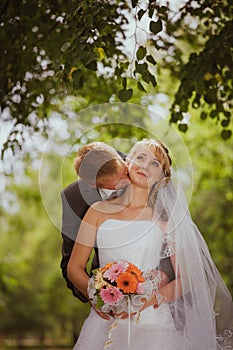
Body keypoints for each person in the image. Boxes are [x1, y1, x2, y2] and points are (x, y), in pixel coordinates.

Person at [67, 139, 233, 350]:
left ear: (161, 178)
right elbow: (74, 267)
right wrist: (96, 295)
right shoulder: (98, 211)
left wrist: (147, 300)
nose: (145, 166)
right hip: (103, 318)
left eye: (155, 164)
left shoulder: (166, 221)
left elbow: (186, 277)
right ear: (128, 161)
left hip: (152, 321)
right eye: (141, 157)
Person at [61, 141, 175, 307]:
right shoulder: (76, 199)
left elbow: (173, 246)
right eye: (120, 179)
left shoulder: (141, 165)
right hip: (107, 290)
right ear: (94, 184)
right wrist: (99, 298)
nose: (127, 177)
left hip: (152, 298)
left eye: (125, 171)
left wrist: (162, 277)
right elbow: (71, 264)